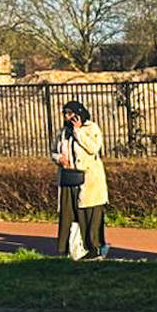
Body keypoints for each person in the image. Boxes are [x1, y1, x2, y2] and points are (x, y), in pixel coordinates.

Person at [54, 100, 108, 259]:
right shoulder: (63, 132)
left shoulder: (91, 128)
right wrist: (59, 158)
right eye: (65, 114)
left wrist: (78, 132)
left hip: (89, 178)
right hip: (69, 177)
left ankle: (93, 247)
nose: (67, 117)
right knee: (68, 213)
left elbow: (93, 148)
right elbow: (53, 150)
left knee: (89, 211)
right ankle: (66, 248)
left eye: (70, 113)